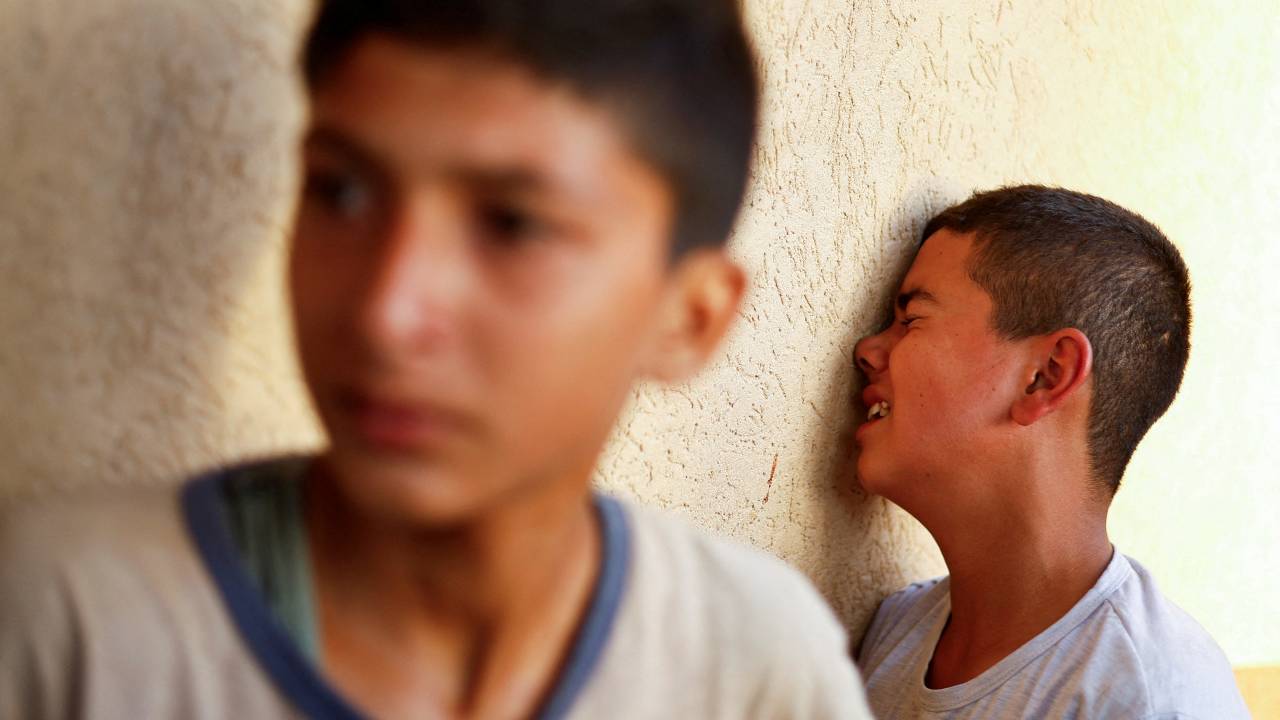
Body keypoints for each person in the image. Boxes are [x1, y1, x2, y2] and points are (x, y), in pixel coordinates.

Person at [0, 1, 872, 718]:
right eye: (340, 190)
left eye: (512, 226)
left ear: (688, 319)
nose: (387, 312)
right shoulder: (74, 622)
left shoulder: (756, 668)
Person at [851, 185, 1250, 718]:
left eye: (912, 319)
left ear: (1045, 377)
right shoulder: (895, 633)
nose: (868, 350)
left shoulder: (1145, 697)